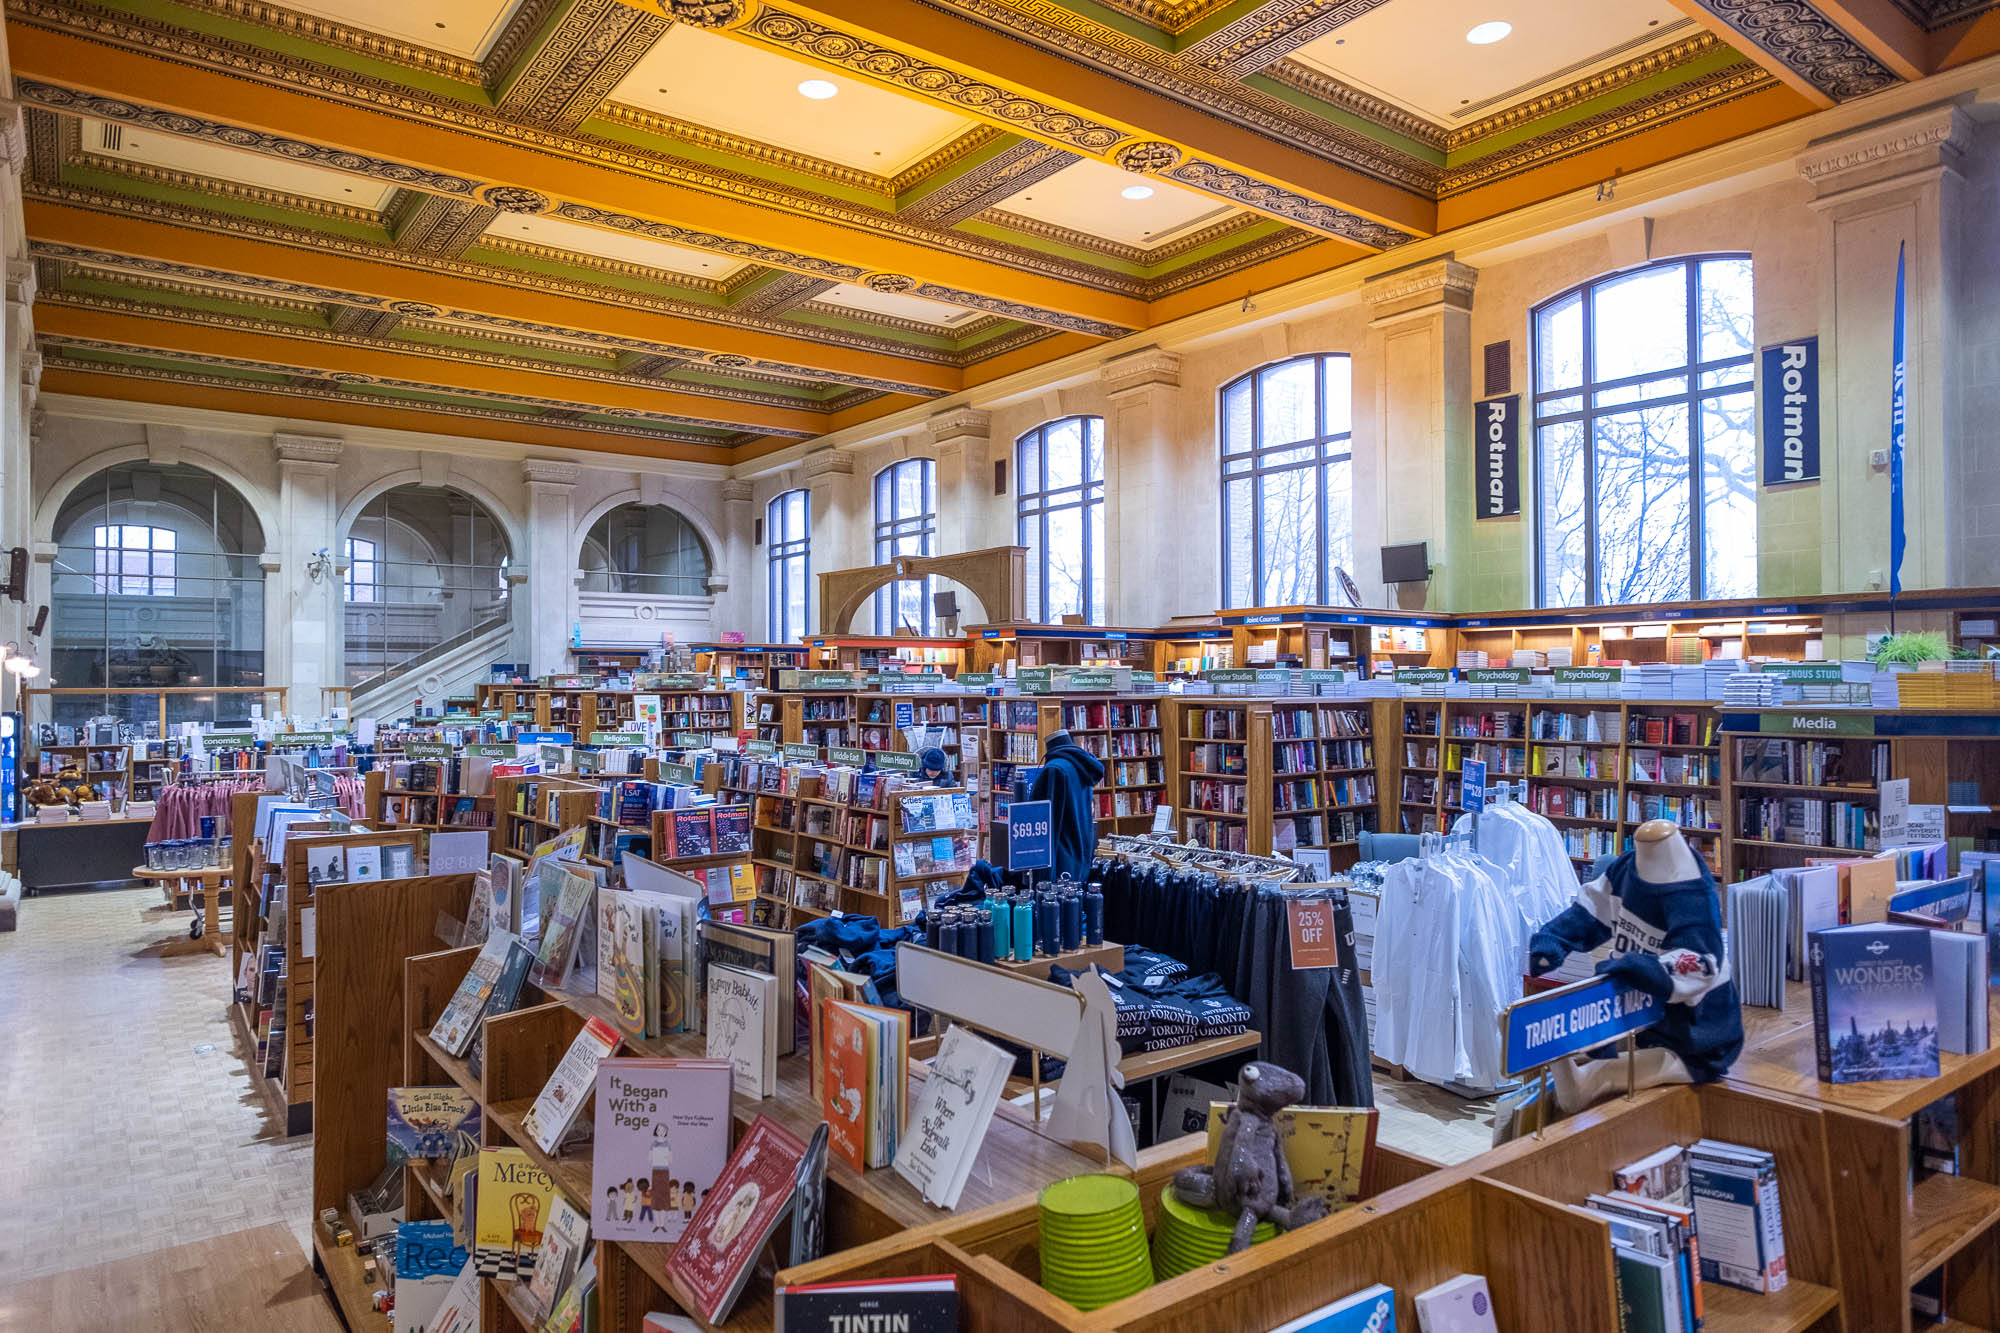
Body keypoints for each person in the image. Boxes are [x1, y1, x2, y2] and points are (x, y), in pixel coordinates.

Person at [1028, 728, 1104, 889]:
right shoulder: (1082, 766)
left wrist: (1044, 875)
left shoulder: (1055, 770)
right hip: (1081, 856)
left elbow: (1049, 828)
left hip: (1060, 861)